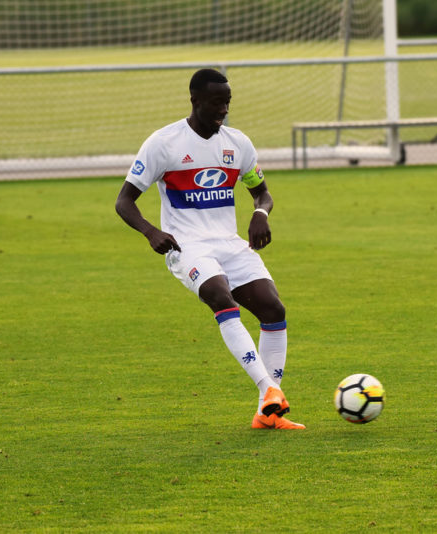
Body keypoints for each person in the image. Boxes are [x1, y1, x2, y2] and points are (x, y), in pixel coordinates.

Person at [115, 68, 304, 430]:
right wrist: (151, 232)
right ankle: (268, 389)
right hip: (187, 246)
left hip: (229, 242)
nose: (223, 109)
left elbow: (261, 191)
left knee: (272, 307)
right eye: (217, 102)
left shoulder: (237, 143)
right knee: (221, 295)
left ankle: (269, 412)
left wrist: (260, 213)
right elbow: (124, 201)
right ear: (195, 100)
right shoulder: (164, 143)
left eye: (228, 102)